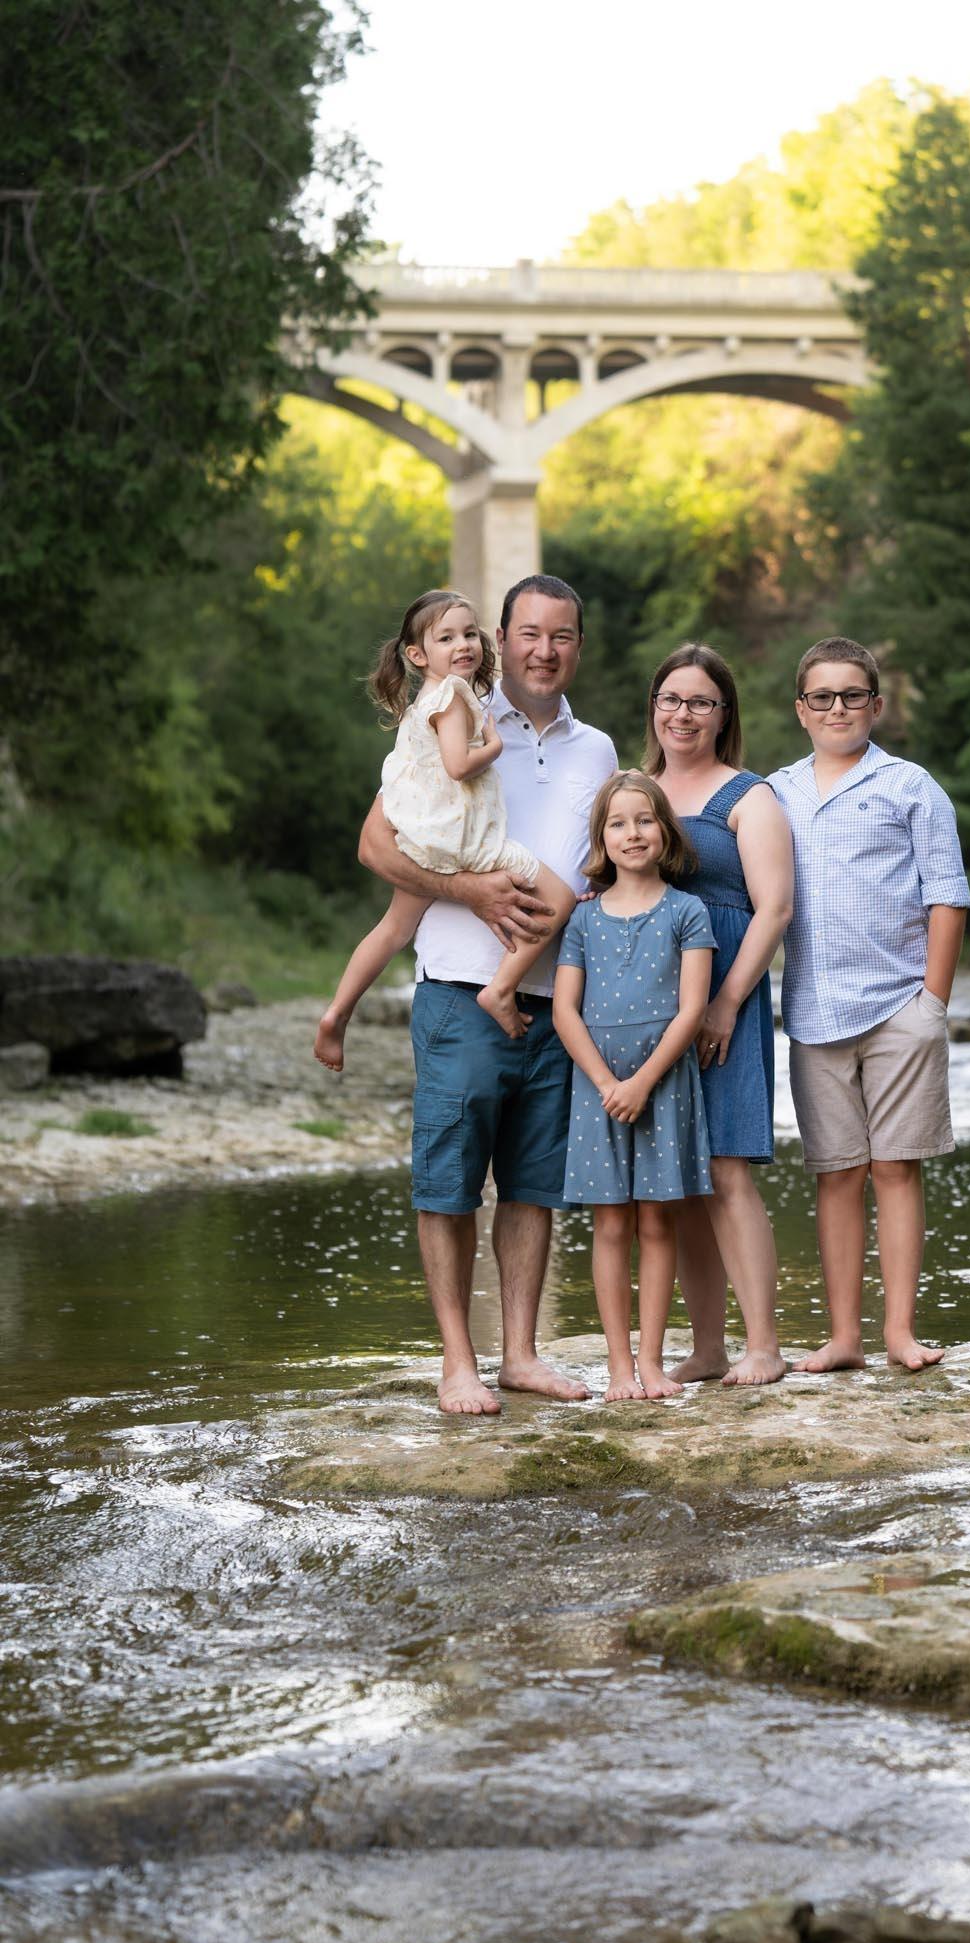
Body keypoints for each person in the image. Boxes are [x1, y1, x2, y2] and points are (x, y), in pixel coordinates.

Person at [356, 575, 617, 1415]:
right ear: (504, 637)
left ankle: (522, 1355)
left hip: (557, 1003)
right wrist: (468, 890)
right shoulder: (452, 714)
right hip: (462, 991)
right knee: (449, 1183)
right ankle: (456, 1363)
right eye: (531, 634)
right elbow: (374, 843)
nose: (546, 650)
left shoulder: (599, 752)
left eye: (563, 636)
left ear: (578, 644)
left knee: (533, 1186)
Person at [768, 637, 970, 1374]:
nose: (837, 708)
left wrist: (932, 1004)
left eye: (852, 695)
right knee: (835, 1173)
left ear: (875, 706)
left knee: (895, 1169)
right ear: (800, 709)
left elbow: (946, 896)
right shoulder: (775, 792)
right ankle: (844, 1337)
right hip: (813, 1012)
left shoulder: (910, 786)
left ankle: (898, 1333)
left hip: (897, 1008)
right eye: (821, 696)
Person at [315, 590, 577, 1069]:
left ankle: (337, 1013)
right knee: (559, 900)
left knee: (393, 928)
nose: (464, 645)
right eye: (447, 637)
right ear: (417, 655)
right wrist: (494, 744)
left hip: (427, 835)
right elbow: (459, 766)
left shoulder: (425, 703)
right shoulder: (457, 697)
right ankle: (501, 990)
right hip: (465, 841)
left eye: (468, 634)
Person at [644, 643, 794, 1389]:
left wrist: (728, 1002)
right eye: (671, 698)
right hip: (650, 1000)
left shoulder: (748, 796)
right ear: (654, 707)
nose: (683, 713)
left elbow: (775, 908)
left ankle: (762, 1345)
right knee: (686, 1180)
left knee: (727, 1167)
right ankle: (705, 1348)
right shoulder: (635, 792)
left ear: (722, 714)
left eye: (700, 701)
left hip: (725, 994)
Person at [554, 772, 715, 1401]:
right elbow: (566, 1009)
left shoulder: (687, 910)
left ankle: (652, 1363)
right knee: (610, 1227)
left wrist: (643, 1082)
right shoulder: (583, 919)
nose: (632, 833)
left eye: (644, 820)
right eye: (617, 823)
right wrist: (606, 1083)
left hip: (664, 1084)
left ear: (665, 830)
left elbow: (692, 1008)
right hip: (598, 1090)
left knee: (656, 1225)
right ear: (601, 837)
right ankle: (618, 1368)